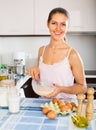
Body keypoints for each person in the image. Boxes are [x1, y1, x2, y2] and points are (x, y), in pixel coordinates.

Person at [28, 7, 87, 99]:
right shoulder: (41, 50)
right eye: (54, 23)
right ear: (47, 24)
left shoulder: (72, 54)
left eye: (63, 24)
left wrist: (61, 89)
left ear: (68, 27)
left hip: (67, 107)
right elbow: (41, 80)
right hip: (46, 105)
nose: (58, 28)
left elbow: (83, 87)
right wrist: (35, 72)